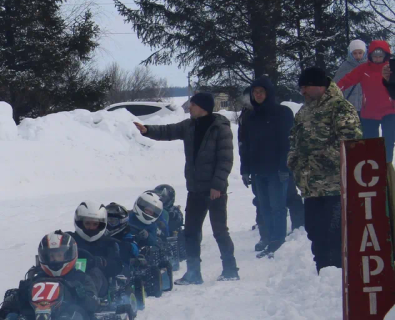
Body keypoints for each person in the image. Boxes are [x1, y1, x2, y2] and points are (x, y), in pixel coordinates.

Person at [134, 91, 237, 284]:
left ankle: (231, 269)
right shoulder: (189, 126)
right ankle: (193, 273)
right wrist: (147, 130)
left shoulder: (220, 128)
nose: (190, 107)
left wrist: (218, 185)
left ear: (203, 107)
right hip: (196, 189)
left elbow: (225, 160)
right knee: (190, 231)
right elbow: (168, 131)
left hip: (215, 190)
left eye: (193, 104)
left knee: (220, 231)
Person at [289, 67, 362, 271]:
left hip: (335, 186)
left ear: (320, 86)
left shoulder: (340, 107)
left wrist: (319, 157)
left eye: (306, 87)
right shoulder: (304, 111)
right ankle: (322, 274)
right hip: (311, 187)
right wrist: (293, 161)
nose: (302, 92)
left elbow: (351, 141)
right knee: (315, 232)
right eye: (301, 88)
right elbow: (294, 139)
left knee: (334, 235)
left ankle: (338, 276)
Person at [238, 77, 295, 257]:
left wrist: (285, 167)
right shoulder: (250, 116)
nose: (258, 95)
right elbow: (244, 145)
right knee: (264, 207)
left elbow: (288, 142)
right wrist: (245, 169)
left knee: (278, 207)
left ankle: (278, 241)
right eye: (255, 92)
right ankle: (269, 239)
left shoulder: (282, 113)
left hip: (277, 169)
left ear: (268, 93)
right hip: (257, 170)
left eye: (261, 92)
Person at [2, 232, 102, 320]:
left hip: (68, 314)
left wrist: (82, 295)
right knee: (22, 314)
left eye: (59, 255)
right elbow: (17, 304)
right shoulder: (38, 278)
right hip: (37, 315)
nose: (55, 260)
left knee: (74, 311)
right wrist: (21, 293)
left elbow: (93, 305)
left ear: (69, 255)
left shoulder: (81, 278)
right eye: (52, 256)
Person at [336, 40, 395, 163]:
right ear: (370, 56)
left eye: (380, 56)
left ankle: (387, 167)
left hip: (390, 110)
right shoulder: (363, 68)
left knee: (388, 142)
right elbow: (346, 80)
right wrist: (333, 91)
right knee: (370, 144)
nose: (378, 59)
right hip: (369, 112)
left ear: (386, 55)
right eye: (375, 56)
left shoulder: (391, 68)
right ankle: (373, 170)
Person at [70, 202, 125, 297]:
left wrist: (101, 262)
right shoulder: (70, 240)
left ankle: (86, 299)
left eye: (95, 224)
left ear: (101, 225)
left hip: (99, 284)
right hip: (70, 278)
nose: (91, 227)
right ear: (79, 222)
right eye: (87, 223)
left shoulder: (109, 243)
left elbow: (117, 266)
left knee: (95, 272)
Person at [334, 39, 367, 113]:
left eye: (360, 53)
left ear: (364, 53)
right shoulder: (345, 67)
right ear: (350, 53)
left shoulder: (369, 66)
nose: (357, 55)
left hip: (366, 108)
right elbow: (336, 86)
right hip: (349, 106)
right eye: (354, 53)